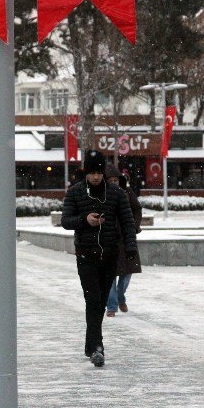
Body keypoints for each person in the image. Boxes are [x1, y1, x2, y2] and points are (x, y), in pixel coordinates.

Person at [61, 150, 137, 367]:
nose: (96, 177)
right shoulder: (75, 193)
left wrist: (130, 248)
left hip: (109, 255)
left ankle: (90, 343)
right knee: (92, 300)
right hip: (86, 255)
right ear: (86, 172)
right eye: (92, 172)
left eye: (99, 172)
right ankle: (97, 346)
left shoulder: (116, 193)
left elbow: (127, 222)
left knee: (101, 302)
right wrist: (85, 220)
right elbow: (66, 221)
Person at [104, 164, 142, 318]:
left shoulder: (126, 191)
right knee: (110, 274)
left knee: (128, 271)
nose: (113, 182)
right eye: (110, 180)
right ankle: (112, 306)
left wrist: (134, 225)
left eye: (115, 179)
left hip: (127, 237)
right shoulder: (102, 194)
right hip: (109, 238)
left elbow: (137, 208)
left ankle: (120, 295)